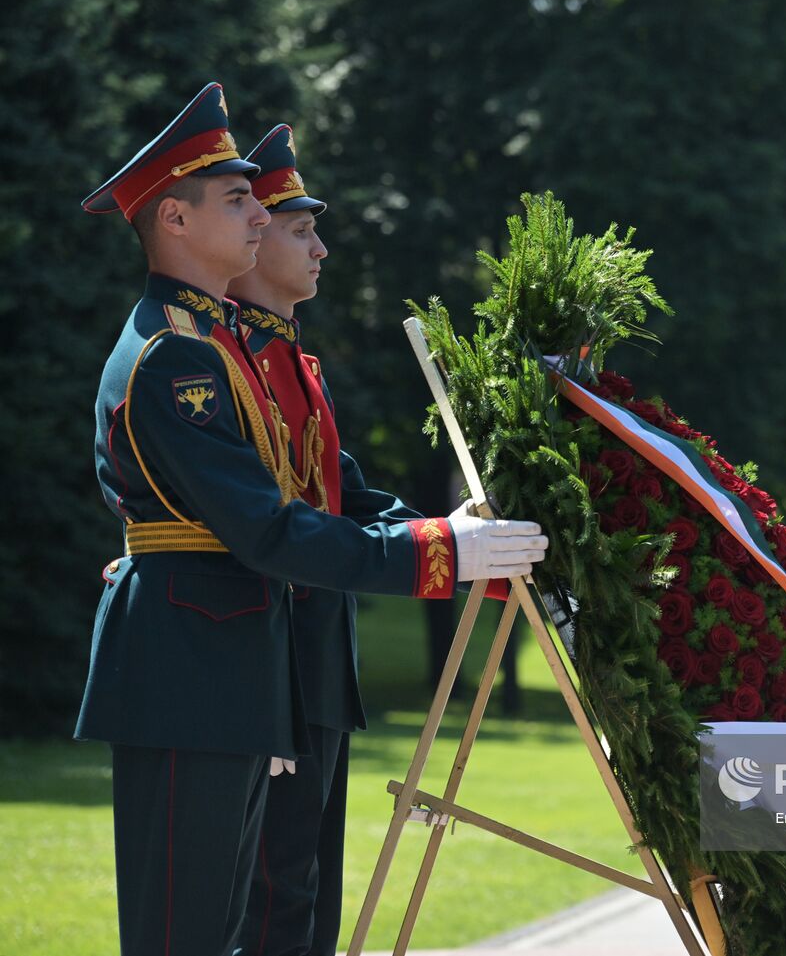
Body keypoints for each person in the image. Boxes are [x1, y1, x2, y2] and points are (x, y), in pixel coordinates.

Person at [78, 84, 548, 956]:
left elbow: (313, 503)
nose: (258, 215)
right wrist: (443, 549)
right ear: (173, 220)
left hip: (227, 669)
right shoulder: (174, 357)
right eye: (236, 200)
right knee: (186, 933)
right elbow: (271, 530)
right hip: (192, 673)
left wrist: (454, 541)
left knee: (256, 924)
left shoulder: (214, 346)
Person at [223, 122, 438, 955]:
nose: (321, 247)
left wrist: (457, 539)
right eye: (300, 228)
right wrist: (444, 550)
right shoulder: (232, 359)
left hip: (313, 661)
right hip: (272, 659)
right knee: (273, 908)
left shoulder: (292, 361)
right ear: (252, 241)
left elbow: (347, 494)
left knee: (305, 902)